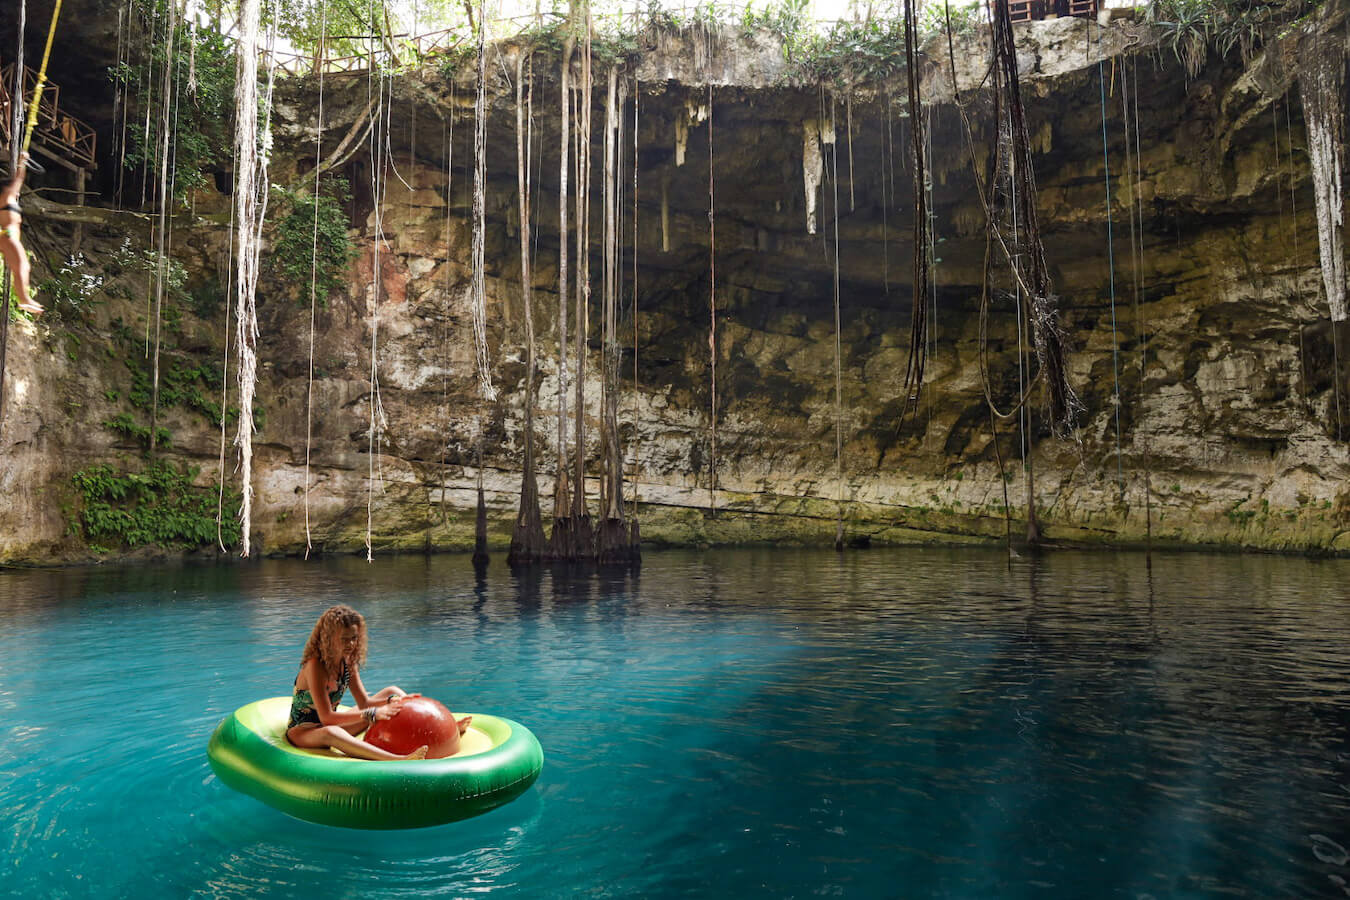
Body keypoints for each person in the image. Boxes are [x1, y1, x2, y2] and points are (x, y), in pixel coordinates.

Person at [286, 604, 428, 760]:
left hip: (330, 726)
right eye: (344, 639)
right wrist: (372, 714)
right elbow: (327, 717)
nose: (351, 644)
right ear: (329, 638)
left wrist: (391, 701)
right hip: (304, 732)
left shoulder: (348, 663)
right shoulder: (315, 666)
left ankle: (440, 730)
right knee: (332, 732)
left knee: (391, 691)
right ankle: (397, 759)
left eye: (354, 638)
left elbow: (364, 703)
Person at [0, 153, 40, 317]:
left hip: (6, 236)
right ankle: (24, 299)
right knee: (23, 265)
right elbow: (18, 179)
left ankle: (24, 299)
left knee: (19, 268)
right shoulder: (7, 195)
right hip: (8, 235)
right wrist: (22, 162)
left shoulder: (7, 200)